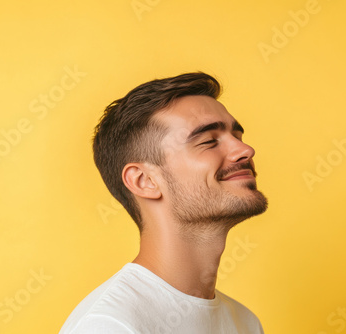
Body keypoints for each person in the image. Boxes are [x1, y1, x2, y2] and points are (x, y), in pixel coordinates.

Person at [59, 72, 268, 333]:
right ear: (145, 180)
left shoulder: (244, 322)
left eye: (237, 136)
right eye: (209, 141)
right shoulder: (109, 325)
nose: (245, 150)